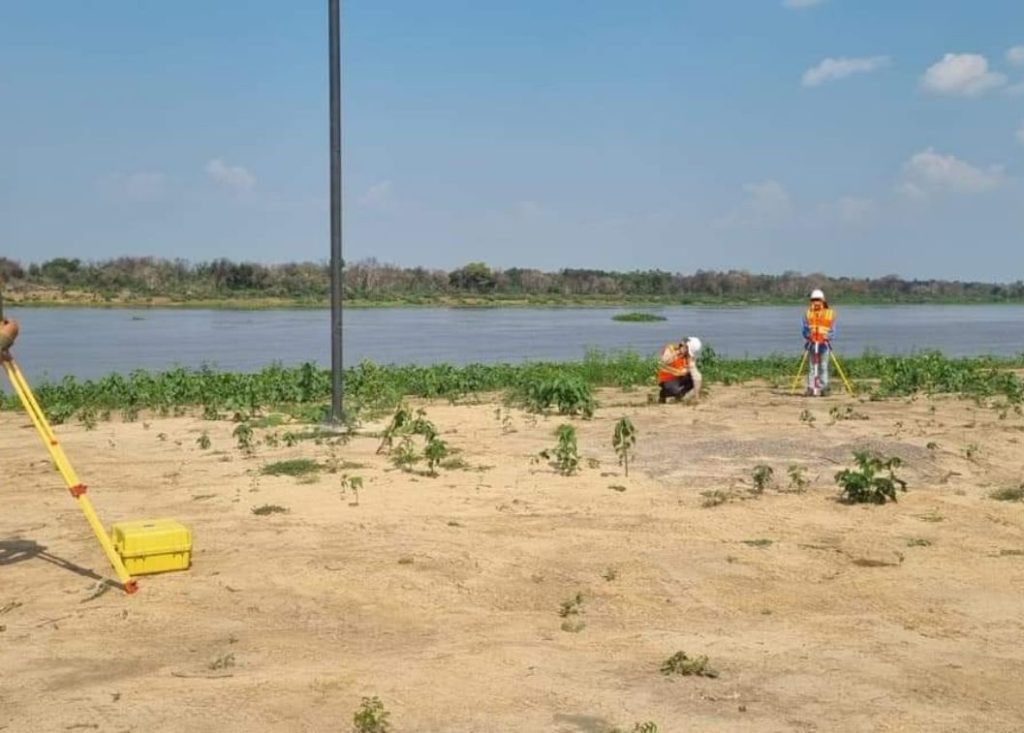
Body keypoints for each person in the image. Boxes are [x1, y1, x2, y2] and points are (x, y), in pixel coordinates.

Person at [802, 289, 835, 396]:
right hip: (812, 344)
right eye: (814, 300)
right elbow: (804, 329)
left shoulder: (829, 313)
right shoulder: (808, 313)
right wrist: (808, 336)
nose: (816, 302)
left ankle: (824, 388)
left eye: (818, 299)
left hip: (824, 344)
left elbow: (833, 330)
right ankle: (811, 388)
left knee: (823, 366)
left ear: (823, 300)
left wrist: (828, 336)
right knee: (811, 367)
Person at [658, 336, 702, 403]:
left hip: (680, 378)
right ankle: (663, 394)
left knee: (694, 379)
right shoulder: (671, 348)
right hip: (667, 379)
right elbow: (665, 361)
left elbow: (696, 376)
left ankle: (680, 395)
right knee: (674, 391)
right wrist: (678, 352)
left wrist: (697, 397)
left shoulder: (689, 357)